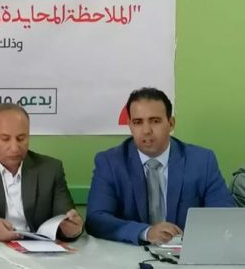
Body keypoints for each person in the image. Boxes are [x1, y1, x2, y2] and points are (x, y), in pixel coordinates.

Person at [86, 87, 235, 245]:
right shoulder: (110, 162)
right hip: (130, 253)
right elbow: (96, 220)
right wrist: (146, 232)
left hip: (185, 252)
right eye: (138, 122)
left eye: (155, 121)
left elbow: (224, 215)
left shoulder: (202, 161)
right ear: (130, 125)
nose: (146, 130)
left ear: (171, 123)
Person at [0, 103, 83, 242]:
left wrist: (71, 229)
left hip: (39, 249)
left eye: (21, 138)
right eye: (5, 139)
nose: (14, 148)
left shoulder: (50, 169)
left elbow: (66, 217)